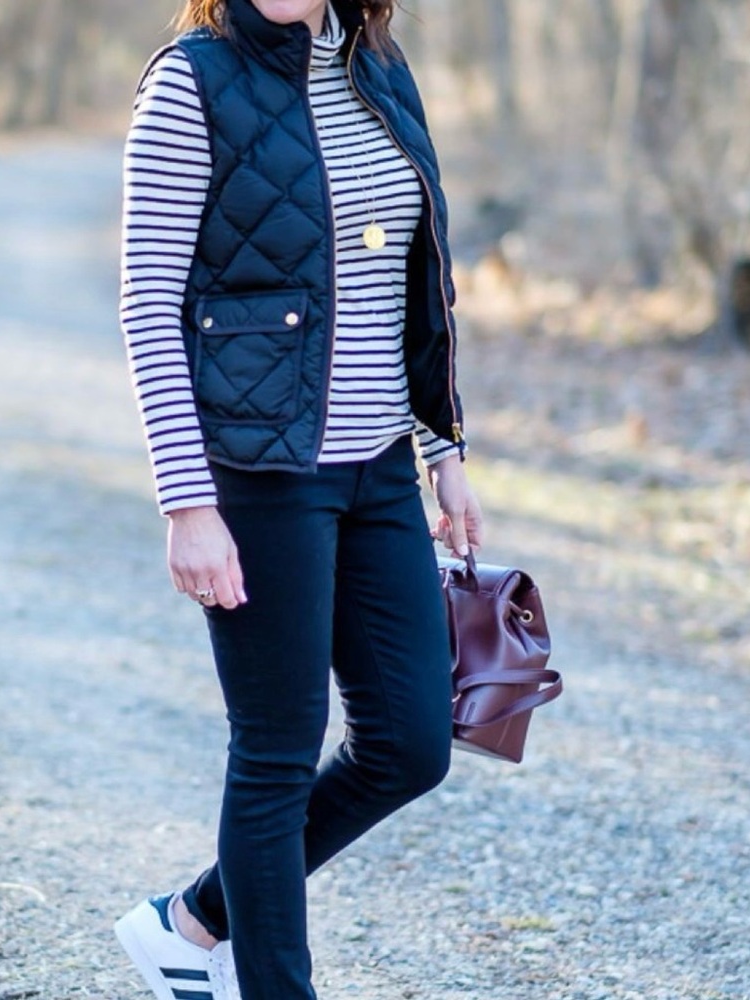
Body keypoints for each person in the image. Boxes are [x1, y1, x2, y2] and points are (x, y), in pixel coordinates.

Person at [114, 0, 484, 994]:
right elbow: (148, 303)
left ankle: (194, 920)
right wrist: (187, 502)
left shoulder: (377, 68)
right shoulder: (187, 81)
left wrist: (442, 444)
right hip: (258, 472)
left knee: (410, 744)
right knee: (276, 753)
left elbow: (417, 281)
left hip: (378, 473)